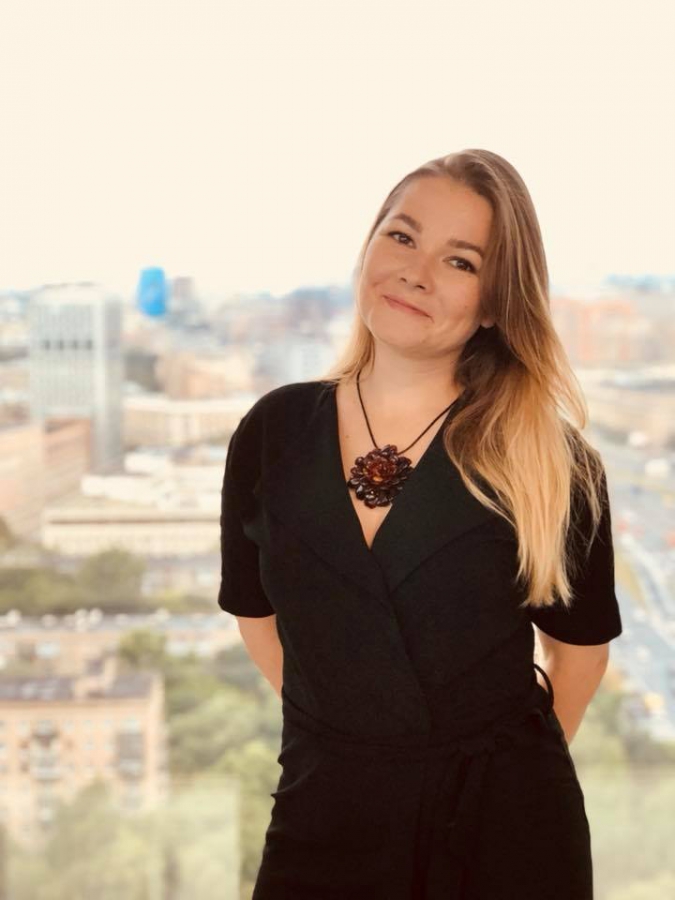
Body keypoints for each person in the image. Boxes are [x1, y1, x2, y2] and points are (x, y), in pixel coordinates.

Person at [218, 149, 623, 899]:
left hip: (506, 834)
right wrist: (361, 735)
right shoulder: (273, 430)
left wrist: (497, 779)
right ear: (369, 245)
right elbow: (255, 616)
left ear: (495, 302)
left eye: (460, 261)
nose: (415, 271)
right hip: (323, 810)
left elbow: (580, 657)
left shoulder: (549, 462)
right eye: (401, 237)